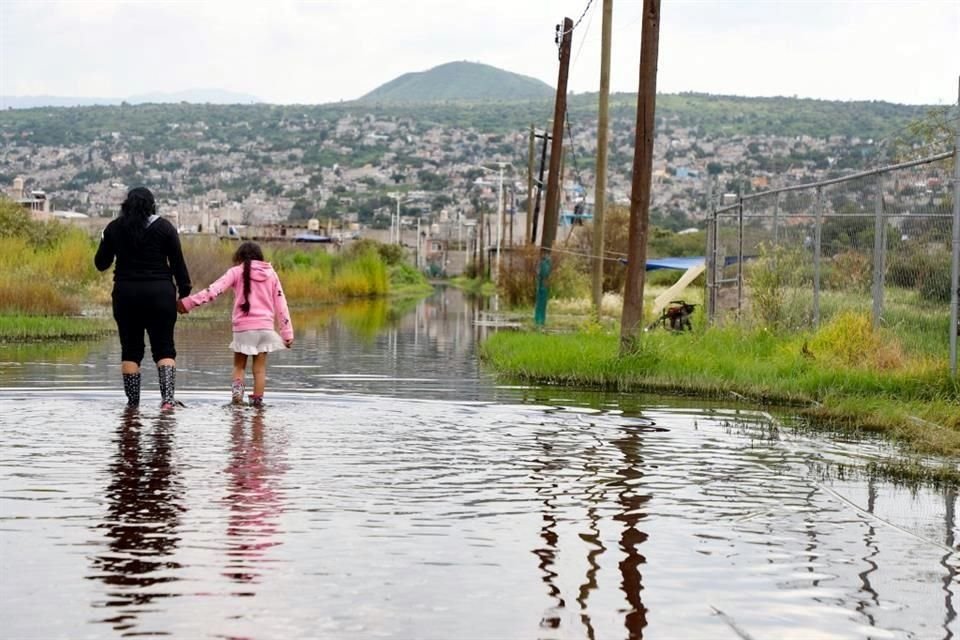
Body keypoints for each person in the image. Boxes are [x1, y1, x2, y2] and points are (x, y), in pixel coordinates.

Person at [95, 187, 191, 410]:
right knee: (164, 348)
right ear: (152, 205)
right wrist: (184, 293)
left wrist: (104, 239)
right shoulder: (165, 228)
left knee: (130, 350)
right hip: (160, 295)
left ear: (126, 205)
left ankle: (132, 405)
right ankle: (167, 401)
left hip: (126, 295)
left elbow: (101, 264)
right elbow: (178, 265)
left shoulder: (114, 228)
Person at [177, 241, 293, 407]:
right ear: (260, 258)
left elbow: (213, 291)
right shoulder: (271, 274)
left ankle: (237, 400)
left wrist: (188, 303)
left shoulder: (235, 272)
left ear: (239, 258)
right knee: (259, 370)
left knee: (239, 367)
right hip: (266, 329)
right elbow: (281, 304)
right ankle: (258, 405)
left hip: (244, 329)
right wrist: (287, 333)